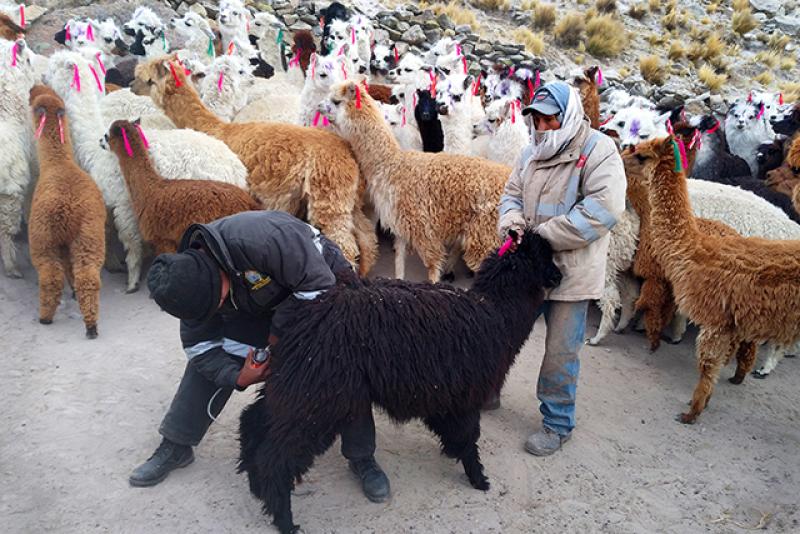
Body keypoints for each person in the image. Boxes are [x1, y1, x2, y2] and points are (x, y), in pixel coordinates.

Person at [129, 211, 391, 503]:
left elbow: (318, 288)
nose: (213, 310)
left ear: (217, 275)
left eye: (215, 302)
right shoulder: (186, 283)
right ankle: (177, 444)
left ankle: (362, 457)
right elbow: (201, 347)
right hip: (257, 303)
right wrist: (238, 376)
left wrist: (277, 340)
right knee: (215, 356)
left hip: (323, 288)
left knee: (337, 362)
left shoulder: (265, 239)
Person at [495, 81, 626, 456]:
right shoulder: (530, 153)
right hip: (527, 268)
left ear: (566, 117)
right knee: (501, 332)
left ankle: (557, 423)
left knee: (560, 353)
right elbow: (511, 195)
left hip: (571, 273)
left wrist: (540, 236)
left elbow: (603, 210)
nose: (542, 128)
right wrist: (513, 226)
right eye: (537, 120)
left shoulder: (599, 151)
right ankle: (485, 388)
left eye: (550, 120)